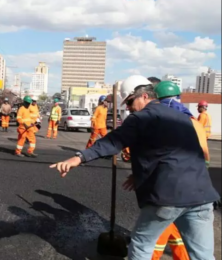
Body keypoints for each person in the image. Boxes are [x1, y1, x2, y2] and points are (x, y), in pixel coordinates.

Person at [50, 75, 219, 260]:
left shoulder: (141, 118)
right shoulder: (183, 118)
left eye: (130, 102)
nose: (128, 107)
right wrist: (140, 175)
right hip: (203, 196)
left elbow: (113, 142)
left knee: (141, 245)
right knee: (202, 255)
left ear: (144, 96)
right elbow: (176, 155)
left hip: (167, 197)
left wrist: (79, 158)